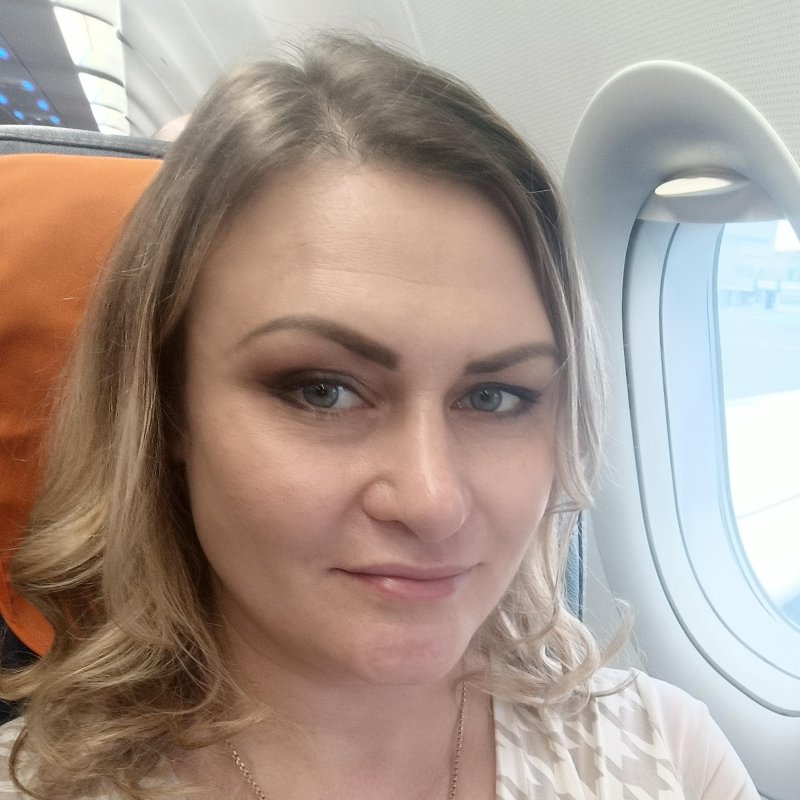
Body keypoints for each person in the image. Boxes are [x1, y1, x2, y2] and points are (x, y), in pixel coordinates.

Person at [0, 34, 758, 800]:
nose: (433, 501)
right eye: (323, 391)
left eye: (494, 396)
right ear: (167, 410)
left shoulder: (669, 756)